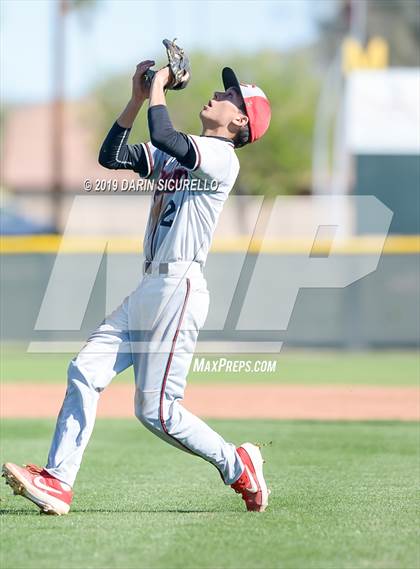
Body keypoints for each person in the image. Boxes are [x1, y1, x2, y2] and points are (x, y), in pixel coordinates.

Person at [2, 60, 272, 515]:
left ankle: (238, 464)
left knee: (159, 414)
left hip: (179, 287)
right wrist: (136, 99)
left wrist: (161, 88)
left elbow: (166, 137)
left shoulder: (222, 158)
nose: (219, 95)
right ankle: (58, 481)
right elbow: (112, 156)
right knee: (85, 370)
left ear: (241, 121)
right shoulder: (184, 152)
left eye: (230, 97)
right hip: (149, 288)